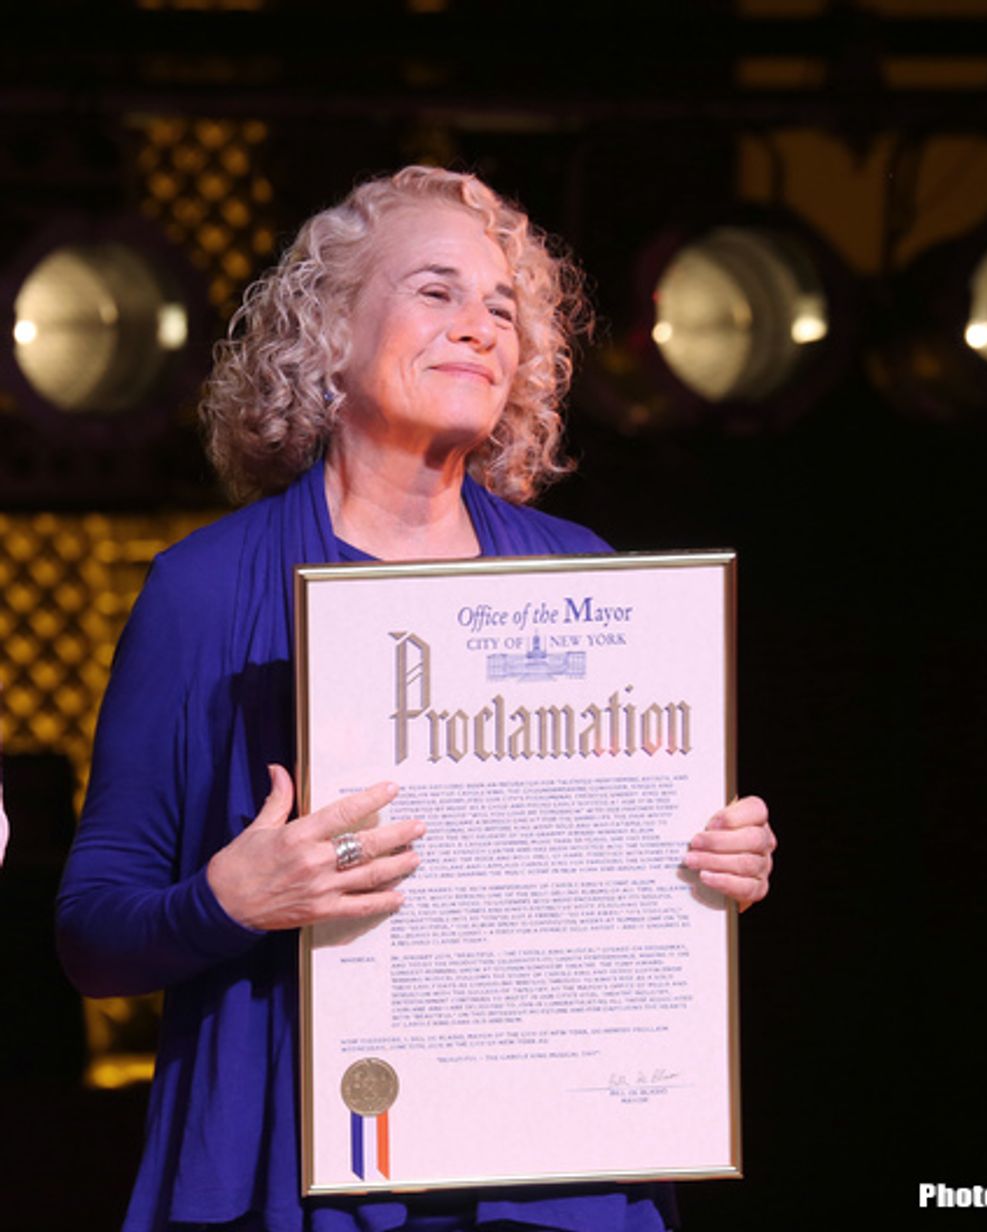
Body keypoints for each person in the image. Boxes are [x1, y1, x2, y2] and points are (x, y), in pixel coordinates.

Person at [56, 165, 775, 1232]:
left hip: (552, 1179)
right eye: (435, 291)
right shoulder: (204, 589)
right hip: (298, 1173)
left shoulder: (586, 579)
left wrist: (708, 864)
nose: (479, 327)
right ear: (330, 332)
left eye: (502, 308)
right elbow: (89, 934)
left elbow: (616, 884)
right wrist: (229, 897)